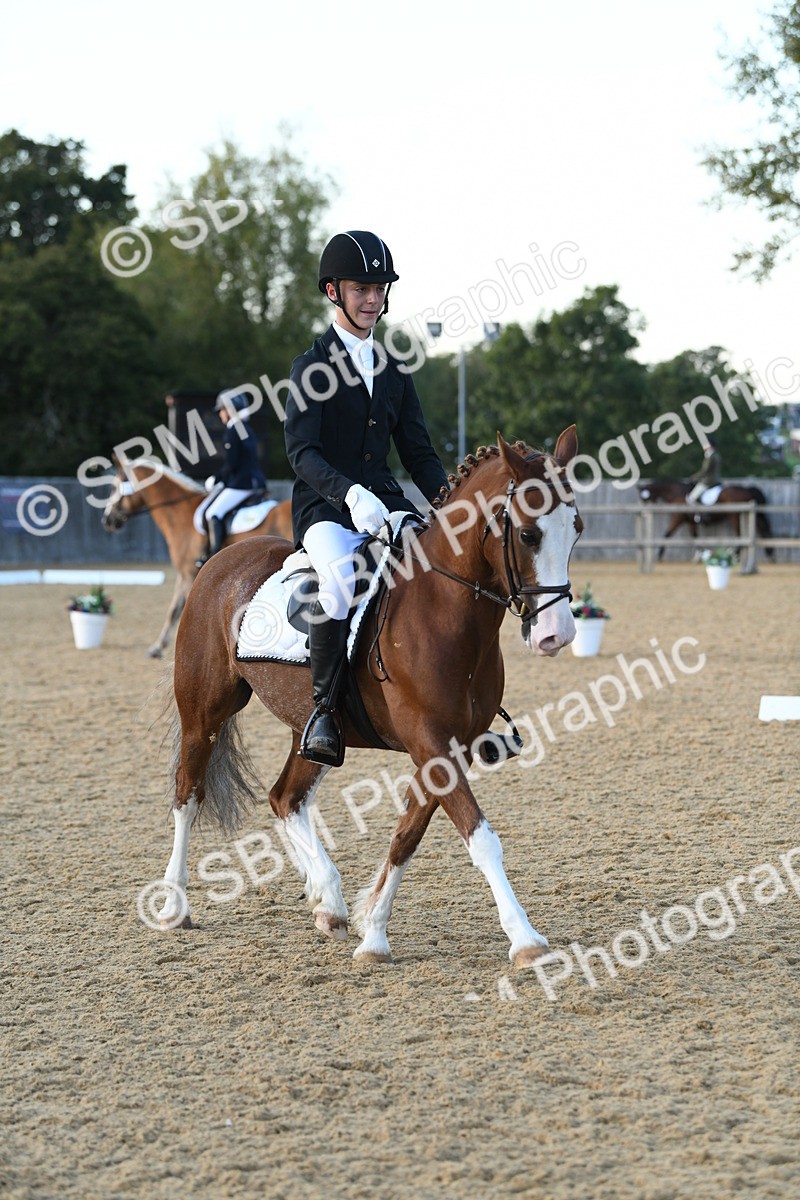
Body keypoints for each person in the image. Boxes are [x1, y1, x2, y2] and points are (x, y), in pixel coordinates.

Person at [284, 230, 448, 766]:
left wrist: (449, 510)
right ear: (333, 291)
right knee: (338, 581)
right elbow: (301, 453)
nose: (373, 298)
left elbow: (419, 455)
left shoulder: (394, 370)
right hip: (326, 508)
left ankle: (459, 701)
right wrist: (349, 493)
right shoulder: (311, 367)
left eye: (379, 288)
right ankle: (323, 713)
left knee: (443, 574)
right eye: (361, 288)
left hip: (387, 503)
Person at [198, 392, 267, 564]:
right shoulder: (246, 429)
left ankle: (214, 557)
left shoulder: (233, 431)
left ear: (229, 410)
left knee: (213, 513)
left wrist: (217, 478)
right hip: (254, 481)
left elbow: (232, 463)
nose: (220, 414)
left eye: (221, 410)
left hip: (241, 484)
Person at [687, 436, 722, 517]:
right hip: (716, 480)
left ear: (709, 445)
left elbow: (705, 471)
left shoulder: (710, 456)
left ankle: (697, 515)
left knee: (691, 498)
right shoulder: (716, 455)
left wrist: (694, 477)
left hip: (708, 482)